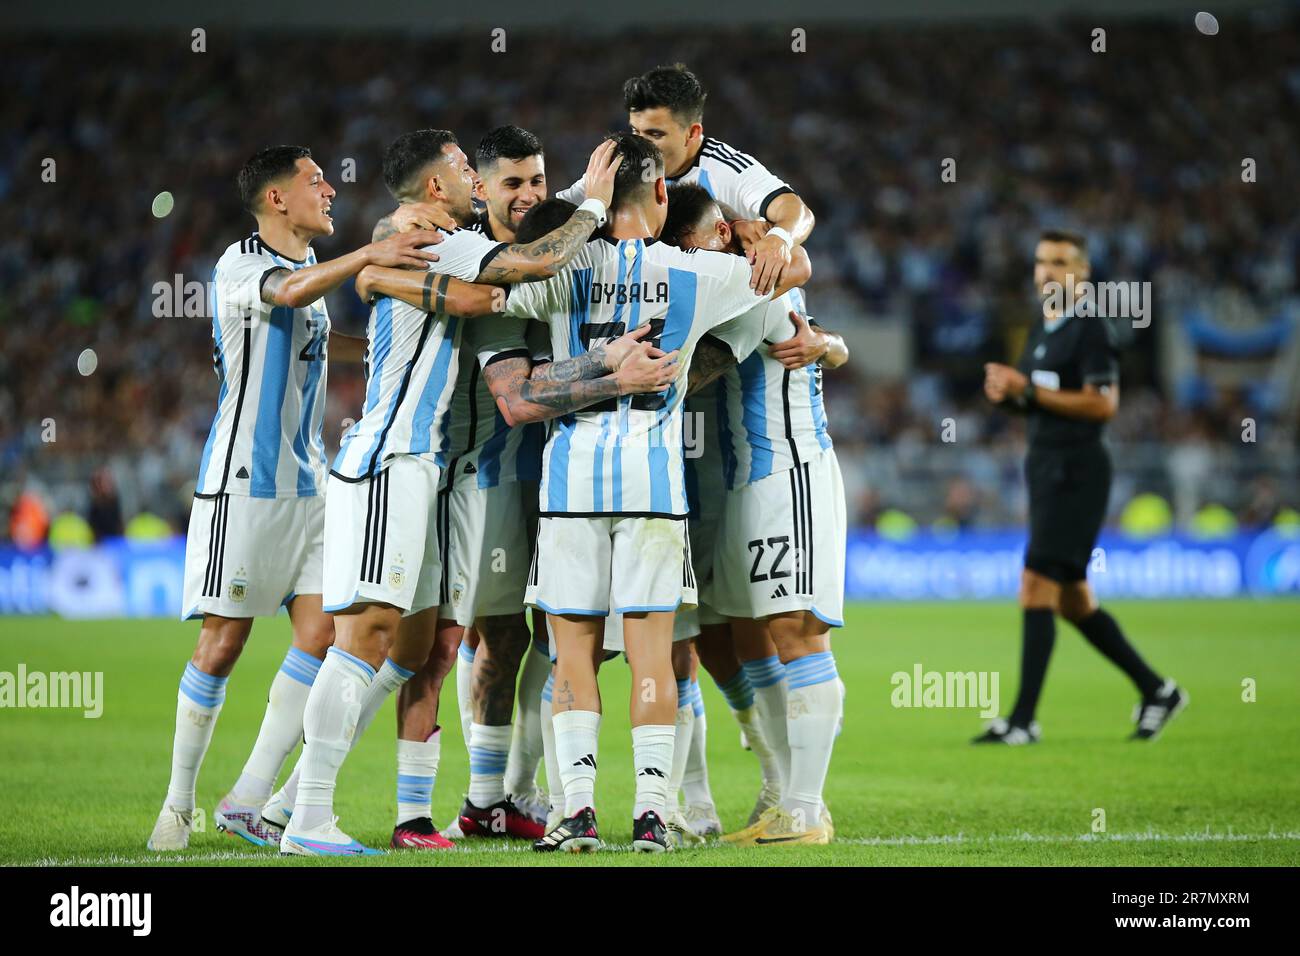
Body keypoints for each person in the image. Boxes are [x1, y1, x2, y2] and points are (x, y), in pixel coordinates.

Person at [147, 145, 443, 851]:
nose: (331, 193)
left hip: (311, 483)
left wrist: (392, 344)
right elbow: (290, 293)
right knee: (222, 643)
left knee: (322, 634)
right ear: (277, 199)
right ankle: (176, 806)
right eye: (316, 183)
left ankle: (249, 794)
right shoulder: (240, 264)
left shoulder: (307, 281)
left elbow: (320, 333)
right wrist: (372, 265)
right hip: (243, 485)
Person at [664, 183, 848, 846]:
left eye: (714, 237)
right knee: (732, 637)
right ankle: (782, 793)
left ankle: (804, 809)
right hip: (739, 480)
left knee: (797, 633)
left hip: (788, 469)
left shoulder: (754, 279)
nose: (711, 252)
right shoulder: (733, 278)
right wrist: (832, 343)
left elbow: (688, 370)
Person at [976, 229, 1186, 746]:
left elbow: (1102, 403)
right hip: (1046, 469)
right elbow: (1036, 400)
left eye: (1061, 262)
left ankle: (1023, 721)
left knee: (1035, 584)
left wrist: (1027, 390)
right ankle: (1157, 689)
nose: (1048, 271)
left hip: (1078, 472)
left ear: (1083, 273)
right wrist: (1008, 396)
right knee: (1073, 602)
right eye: (1042, 262)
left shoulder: (1091, 327)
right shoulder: (1045, 328)